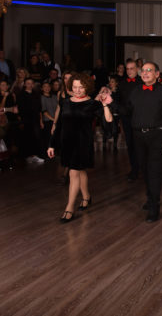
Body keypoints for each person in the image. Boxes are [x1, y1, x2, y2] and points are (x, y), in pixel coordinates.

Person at [47, 73, 113, 223]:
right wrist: (51, 144)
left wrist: (104, 104)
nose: (77, 90)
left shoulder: (93, 104)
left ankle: (69, 208)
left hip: (82, 143)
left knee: (73, 172)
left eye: (81, 87)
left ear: (87, 87)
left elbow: (108, 120)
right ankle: (86, 197)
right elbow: (59, 125)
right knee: (80, 170)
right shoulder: (65, 102)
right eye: (75, 87)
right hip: (67, 143)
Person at [127, 61, 162, 222]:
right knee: (144, 169)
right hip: (138, 136)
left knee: (154, 170)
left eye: (149, 70)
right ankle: (151, 198)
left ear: (157, 74)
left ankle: (154, 207)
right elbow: (126, 111)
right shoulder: (135, 91)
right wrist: (110, 103)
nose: (145, 73)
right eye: (143, 70)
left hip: (158, 135)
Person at [117, 59, 143, 182]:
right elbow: (118, 101)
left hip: (140, 119)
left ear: (137, 69)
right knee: (130, 145)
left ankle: (143, 169)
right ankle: (134, 170)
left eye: (132, 68)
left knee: (141, 145)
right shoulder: (122, 84)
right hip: (127, 119)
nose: (129, 71)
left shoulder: (142, 82)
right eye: (127, 69)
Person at [17, 78, 45, 164]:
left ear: (33, 85)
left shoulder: (36, 94)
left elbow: (39, 109)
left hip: (35, 119)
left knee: (37, 137)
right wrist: (21, 121)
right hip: (26, 120)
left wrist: (41, 121)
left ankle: (35, 155)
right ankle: (29, 156)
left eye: (31, 83)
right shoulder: (21, 95)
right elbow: (20, 109)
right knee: (28, 138)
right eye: (28, 83)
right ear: (25, 84)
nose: (29, 85)